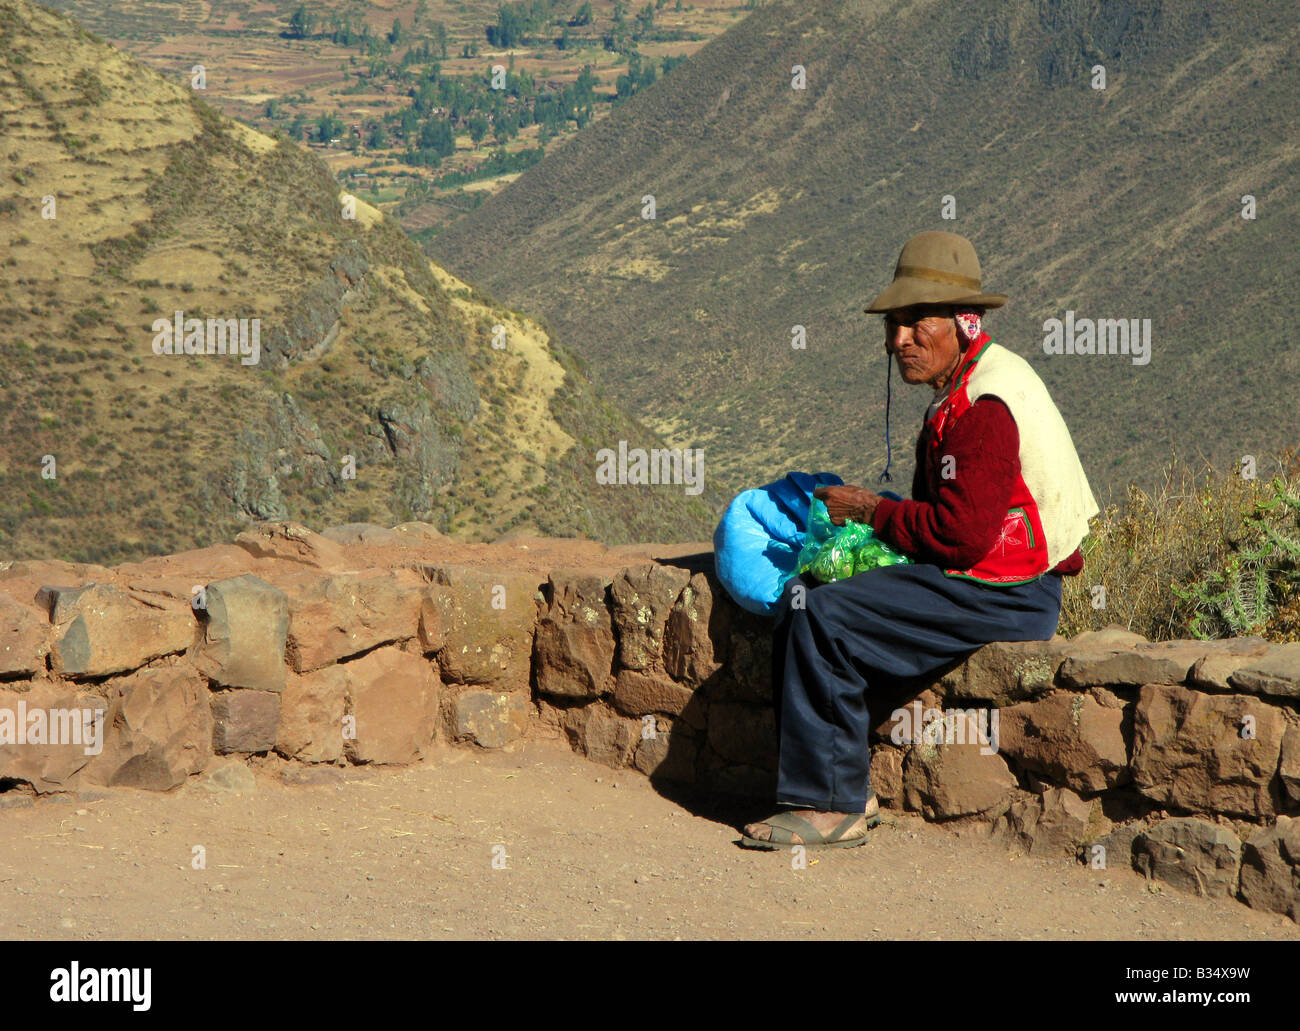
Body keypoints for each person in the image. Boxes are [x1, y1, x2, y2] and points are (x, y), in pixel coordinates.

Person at [741, 231, 1098, 849]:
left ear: (963, 321)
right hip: (979, 576)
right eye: (893, 326)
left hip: (1007, 590)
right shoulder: (969, 385)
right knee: (804, 595)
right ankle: (833, 783)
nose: (897, 340)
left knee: (825, 615)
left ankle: (832, 805)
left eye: (914, 324)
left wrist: (872, 511)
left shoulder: (985, 407)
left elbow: (958, 538)